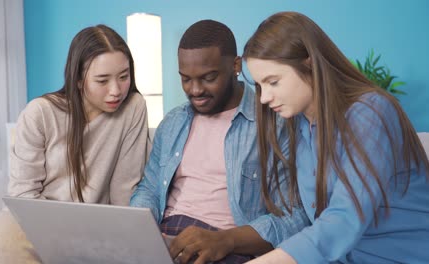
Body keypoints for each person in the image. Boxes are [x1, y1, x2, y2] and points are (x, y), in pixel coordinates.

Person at [243, 11, 429, 264]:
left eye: (273, 82)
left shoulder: (370, 112)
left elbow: (343, 219)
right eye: (259, 86)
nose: (264, 97)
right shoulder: (299, 124)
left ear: (309, 64)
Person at [130, 19, 309, 264]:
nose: (195, 90)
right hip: (167, 240)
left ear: (235, 65)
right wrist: (138, 230)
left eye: (208, 77)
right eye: (185, 79)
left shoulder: (275, 122)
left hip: (226, 246)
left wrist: (225, 240)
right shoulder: (172, 123)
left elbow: (294, 217)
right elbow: (149, 188)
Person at [0, 24, 150, 263]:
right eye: (102, 80)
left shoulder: (133, 107)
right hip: (33, 224)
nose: (116, 90)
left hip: (96, 227)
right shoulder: (40, 113)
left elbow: (124, 189)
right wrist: (61, 235)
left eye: (124, 77)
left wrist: (124, 237)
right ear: (77, 79)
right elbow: (24, 194)